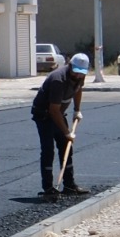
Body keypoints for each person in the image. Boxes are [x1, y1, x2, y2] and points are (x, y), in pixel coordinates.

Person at [32, 53, 89, 198]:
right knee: (48, 150)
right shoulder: (58, 79)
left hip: (57, 113)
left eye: (81, 74)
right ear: (70, 66)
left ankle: (69, 185)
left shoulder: (79, 76)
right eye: (76, 72)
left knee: (66, 147)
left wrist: (77, 110)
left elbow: (78, 89)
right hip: (44, 114)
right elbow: (53, 110)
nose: (78, 76)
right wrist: (67, 132)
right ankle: (48, 188)